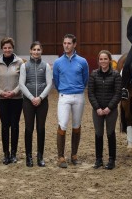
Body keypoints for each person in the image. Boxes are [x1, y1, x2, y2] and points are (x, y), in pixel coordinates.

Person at [53, 34, 89, 168]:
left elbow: (85, 79)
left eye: (69, 43)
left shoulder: (82, 61)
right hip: (64, 96)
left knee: (76, 125)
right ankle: (61, 156)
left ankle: (74, 155)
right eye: (64, 43)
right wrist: (64, 90)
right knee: (62, 124)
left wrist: (78, 89)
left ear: (74, 45)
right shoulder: (58, 62)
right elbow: (55, 81)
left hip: (79, 96)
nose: (66, 45)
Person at [19, 41, 53, 167]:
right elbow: (22, 84)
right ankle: (28, 156)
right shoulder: (25, 66)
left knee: (41, 128)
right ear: (30, 51)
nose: (36, 52)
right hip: (28, 101)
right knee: (29, 128)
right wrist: (31, 97)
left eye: (38, 49)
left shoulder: (46, 66)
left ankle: (40, 156)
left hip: (42, 102)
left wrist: (41, 97)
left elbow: (49, 84)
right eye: (34, 49)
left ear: (41, 51)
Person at [88, 50, 121, 170]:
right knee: (98, 133)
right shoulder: (94, 74)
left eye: (105, 59)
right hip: (97, 110)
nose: (103, 61)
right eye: (101, 59)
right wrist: (97, 108)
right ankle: (99, 159)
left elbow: (118, 94)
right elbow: (91, 93)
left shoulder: (116, 75)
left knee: (110, 133)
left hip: (110, 110)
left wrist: (109, 108)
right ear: (98, 61)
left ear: (110, 60)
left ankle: (112, 160)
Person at [0, 37, 24, 165]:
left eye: (9, 47)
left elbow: (22, 80)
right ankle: (5, 154)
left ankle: (13, 153)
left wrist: (14, 92)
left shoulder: (20, 62)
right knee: (5, 126)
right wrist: (1, 92)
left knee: (15, 126)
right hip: (2, 99)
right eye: (5, 47)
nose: (7, 50)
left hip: (16, 99)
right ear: (2, 48)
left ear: (13, 48)